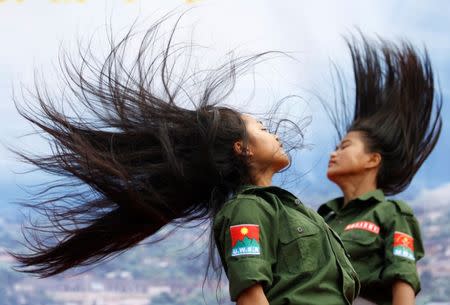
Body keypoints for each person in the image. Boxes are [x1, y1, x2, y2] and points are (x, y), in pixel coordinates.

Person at [12, 15, 359, 305]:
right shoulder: (246, 212)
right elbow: (251, 296)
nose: (277, 134)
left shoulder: (291, 208)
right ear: (243, 149)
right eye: (264, 128)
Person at [317, 35, 442, 305]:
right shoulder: (321, 219)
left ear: (372, 160)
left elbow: (403, 278)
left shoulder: (390, 214)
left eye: (345, 146)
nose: (333, 153)